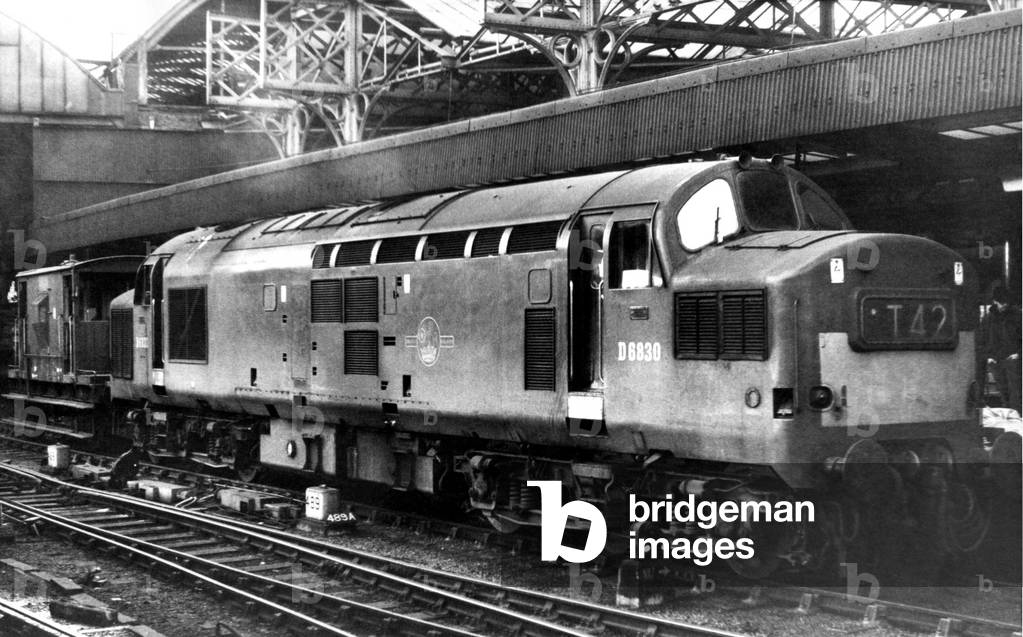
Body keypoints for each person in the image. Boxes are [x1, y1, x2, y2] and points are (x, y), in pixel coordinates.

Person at [978, 284, 1022, 414]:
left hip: (1012, 360)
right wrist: (989, 357)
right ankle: (1010, 419)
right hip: (997, 360)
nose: (1004, 305)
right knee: (1004, 393)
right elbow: (981, 340)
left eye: (1006, 303)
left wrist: (1019, 354)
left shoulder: (1017, 316)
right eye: (1002, 303)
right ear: (995, 301)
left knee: (1016, 393)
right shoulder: (988, 319)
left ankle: (1016, 419)